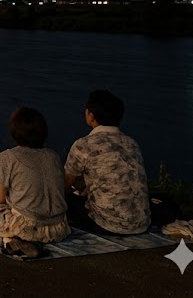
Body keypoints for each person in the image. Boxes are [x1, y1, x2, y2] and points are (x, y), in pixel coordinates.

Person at [0, 107, 70, 257]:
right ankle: (20, 241)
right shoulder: (53, 156)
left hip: (26, 227)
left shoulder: (7, 158)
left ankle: (16, 239)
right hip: (59, 228)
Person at [63, 90, 151, 235]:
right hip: (141, 224)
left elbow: (65, 183)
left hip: (106, 225)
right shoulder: (131, 143)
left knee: (61, 198)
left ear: (91, 116)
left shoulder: (84, 145)